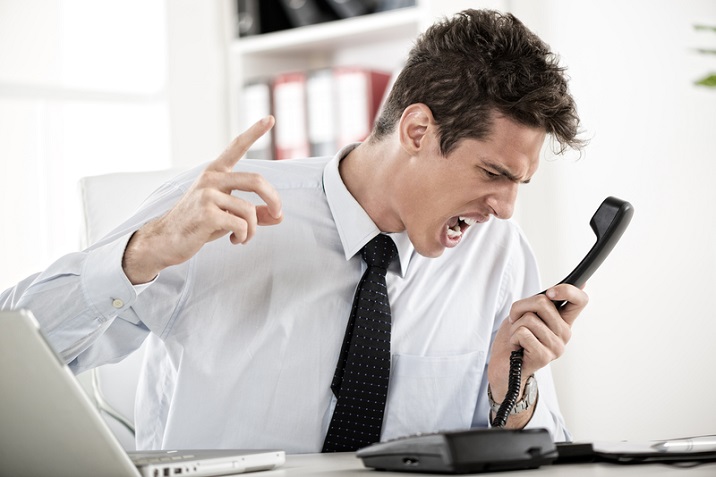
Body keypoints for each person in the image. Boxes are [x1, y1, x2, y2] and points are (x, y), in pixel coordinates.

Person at [1, 9, 587, 453]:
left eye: (519, 184)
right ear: (417, 131)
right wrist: (144, 253)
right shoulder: (222, 210)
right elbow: (15, 355)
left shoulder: (499, 254)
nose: (505, 208)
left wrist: (511, 391)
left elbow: (543, 449)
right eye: (492, 174)